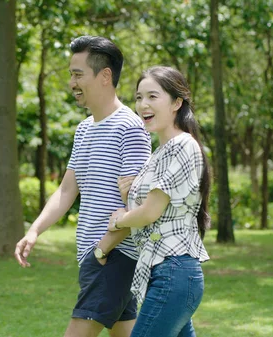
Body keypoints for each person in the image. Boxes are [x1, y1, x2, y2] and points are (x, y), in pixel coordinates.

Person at [15, 35, 152, 337]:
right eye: (70, 74)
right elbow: (66, 190)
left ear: (105, 76)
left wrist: (102, 250)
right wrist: (34, 230)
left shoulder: (130, 128)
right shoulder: (85, 129)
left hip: (115, 256)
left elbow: (138, 203)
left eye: (78, 74)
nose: (72, 82)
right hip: (97, 257)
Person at [107, 66, 211, 337]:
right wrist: (128, 196)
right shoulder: (160, 152)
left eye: (153, 96)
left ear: (177, 102)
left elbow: (150, 212)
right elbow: (146, 210)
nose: (143, 105)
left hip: (173, 272)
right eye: (139, 97)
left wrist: (118, 220)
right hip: (166, 273)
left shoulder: (183, 145)